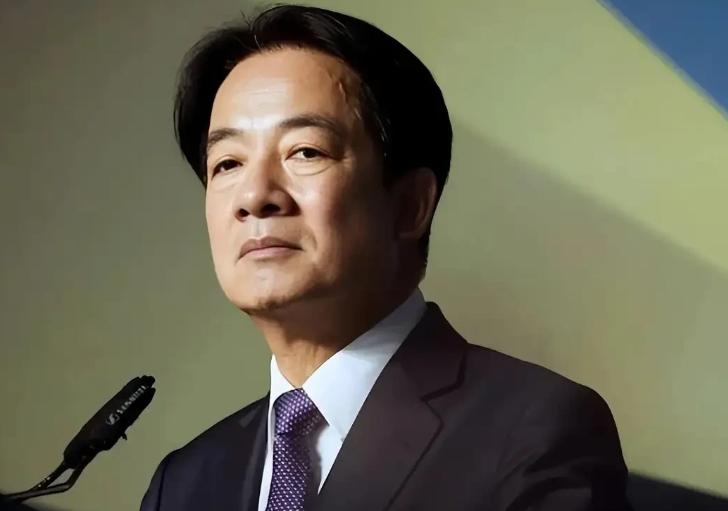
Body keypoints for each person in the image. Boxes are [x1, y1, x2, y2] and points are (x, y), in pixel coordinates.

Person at [141, 4, 631, 510]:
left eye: (305, 152)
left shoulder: (536, 430)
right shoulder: (184, 482)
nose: (254, 196)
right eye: (227, 163)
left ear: (410, 205)